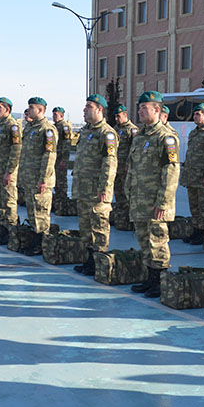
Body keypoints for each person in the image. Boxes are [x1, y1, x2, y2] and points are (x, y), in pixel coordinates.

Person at [126, 91, 179, 298]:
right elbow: (132, 167)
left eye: (144, 107)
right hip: (140, 199)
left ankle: (160, 280)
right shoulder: (140, 136)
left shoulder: (166, 137)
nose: (140, 111)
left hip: (156, 200)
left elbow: (171, 170)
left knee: (157, 240)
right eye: (139, 108)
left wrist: (163, 201)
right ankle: (150, 277)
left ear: (157, 110)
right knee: (144, 240)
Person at [72, 94, 118, 275]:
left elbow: (110, 163)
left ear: (99, 109)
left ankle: (100, 263)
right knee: (85, 227)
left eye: (88, 107)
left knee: (99, 227)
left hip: (96, 191)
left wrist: (105, 188)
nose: (84, 110)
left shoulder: (107, 133)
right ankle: (89, 260)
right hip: (83, 189)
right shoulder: (86, 131)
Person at [19, 97, 58, 255]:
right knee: (32, 212)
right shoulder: (30, 128)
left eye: (31, 107)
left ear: (41, 110)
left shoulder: (47, 130)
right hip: (29, 179)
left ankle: (42, 244)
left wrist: (43, 178)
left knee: (41, 213)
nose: (28, 110)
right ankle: (35, 240)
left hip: (40, 180)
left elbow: (49, 156)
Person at [180, 102, 204, 245]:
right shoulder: (194, 132)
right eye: (194, 114)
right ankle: (196, 230)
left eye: (198, 114)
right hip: (192, 176)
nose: (195, 117)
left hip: (203, 178)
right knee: (194, 206)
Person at [0, 97, 22, 244]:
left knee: (9, 202)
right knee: (0, 202)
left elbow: (16, 150)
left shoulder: (12, 126)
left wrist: (10, 171)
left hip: (6, 171)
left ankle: (12, 233)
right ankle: (3, 229)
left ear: (7, 109)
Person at [112, 104, 139, 229]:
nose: (117, 119)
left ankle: (130, 221)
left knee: (127, 193)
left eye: (119, 116)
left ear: (125, 115)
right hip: (115, 167)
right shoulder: (115, 129)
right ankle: (121, 219)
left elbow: (134, 150)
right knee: (118, 194)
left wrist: (129, 165)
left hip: (126, 168)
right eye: (115, 117)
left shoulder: (132, 130)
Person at [52, 106, 72, 212]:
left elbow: (67, 143)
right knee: (55, 181)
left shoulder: (65, 127)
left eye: (56, 115)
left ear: (61, 115)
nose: (54, 116)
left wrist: (64, 159)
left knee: (61, 181)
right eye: (53, 114)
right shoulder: (54, 127)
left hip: (60, 158)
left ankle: (63, 203)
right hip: (55, 157)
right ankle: (57, 202)